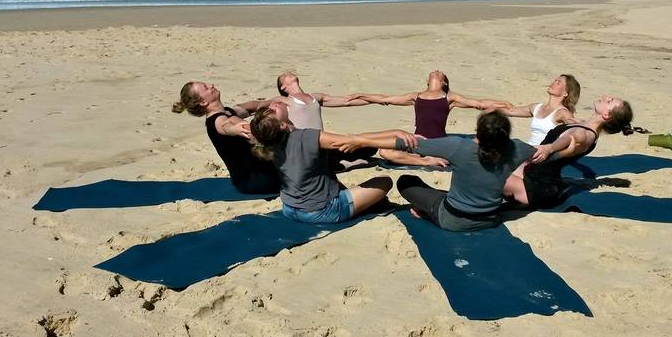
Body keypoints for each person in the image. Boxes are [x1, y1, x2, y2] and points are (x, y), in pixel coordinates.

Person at [249, 102, 417, 224]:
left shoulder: (267, 139)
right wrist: (395, 133)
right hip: (321, 211)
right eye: (273, 110)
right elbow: (352, 141)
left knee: (330, 179)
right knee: (384, 182)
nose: (274, 104)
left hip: (289, 207)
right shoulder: (306, 137)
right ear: (283, 125)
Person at [388, 111, 535, 231]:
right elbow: (542, 152)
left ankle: (427, 215)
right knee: (443, 195)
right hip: (490, 219)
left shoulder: (459, 147)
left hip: (452, 221)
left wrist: (371, 139)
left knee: (406, 181)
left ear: (478, 131)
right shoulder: (517, 149)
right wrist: (547, 148)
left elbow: (403, 144)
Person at [347, 69, 510, 166]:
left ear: (444, 83)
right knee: (385, 152)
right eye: (435, 72)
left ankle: (426, 158)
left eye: (440, 73)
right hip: (417, 141)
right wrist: (362, 95)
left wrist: (501, 104)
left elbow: (478, 104)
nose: (436, 71)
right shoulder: (415, 96)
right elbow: (386, 99)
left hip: (440, 143)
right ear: (428, 81)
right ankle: (424, 160)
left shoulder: (449, 97)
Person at [505, 95, 633, 209]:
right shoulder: (584, 125)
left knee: (494, 176)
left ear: (606, 115)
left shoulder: (586, 135)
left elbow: (571, 138)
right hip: (530, 175)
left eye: (609, 101)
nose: (606, 97)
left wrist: (550, 147)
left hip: (536, 188)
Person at [172, 81, 281, 194]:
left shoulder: (228, 112)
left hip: (262, 171)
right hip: (253, 180)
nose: (211, 85)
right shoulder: (216, 121)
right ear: (203, 102)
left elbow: (255, 106)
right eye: (206, 88)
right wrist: (234, 129)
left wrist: (279, 101)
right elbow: (225, 126)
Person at [500, 74, 581, 144]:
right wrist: (493, 105)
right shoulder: (536, 107)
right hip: (529, 148)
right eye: (555, 80)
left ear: (565, 93)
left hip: (543, 152)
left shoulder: (563, 112)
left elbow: (576, 132)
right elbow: (511, 111)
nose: (553, 83)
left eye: (558, 83)